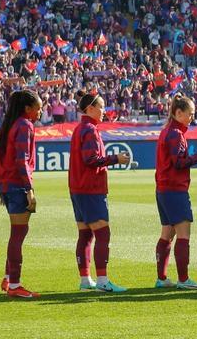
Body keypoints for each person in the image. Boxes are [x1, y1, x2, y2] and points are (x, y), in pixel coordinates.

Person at [68, 92, 131, 293]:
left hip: (78, 189)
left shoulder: (80, 129)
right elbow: (91, 159)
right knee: (103, 234)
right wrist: (115, 159)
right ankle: (103, 281)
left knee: (85, 235)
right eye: (102, 107)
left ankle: (86, 280)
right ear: (91, 109)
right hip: (91, 189)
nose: (105, 111)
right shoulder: (90, 130)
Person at [154, 95, 197, 290]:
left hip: (164, 189)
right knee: (183, 233)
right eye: (190, 114)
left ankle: (162, 278)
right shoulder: (175, 134)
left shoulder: (168, 132)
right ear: (178, 113)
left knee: (167, 233)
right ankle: (183, 279)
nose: (192, 118)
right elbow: (180, 163)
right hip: (174, 189)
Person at [0, 90, 42, 299]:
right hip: (18, 185)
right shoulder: (24, 125)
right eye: (38, 108)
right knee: (18, 235)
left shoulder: (10, 124)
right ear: (27, 109)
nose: (40, 111)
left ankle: (8, 278)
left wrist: (2, 182)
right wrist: (29, 189)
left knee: (16, 234)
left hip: (8, 184)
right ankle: (15, 285)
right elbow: (22, 159)